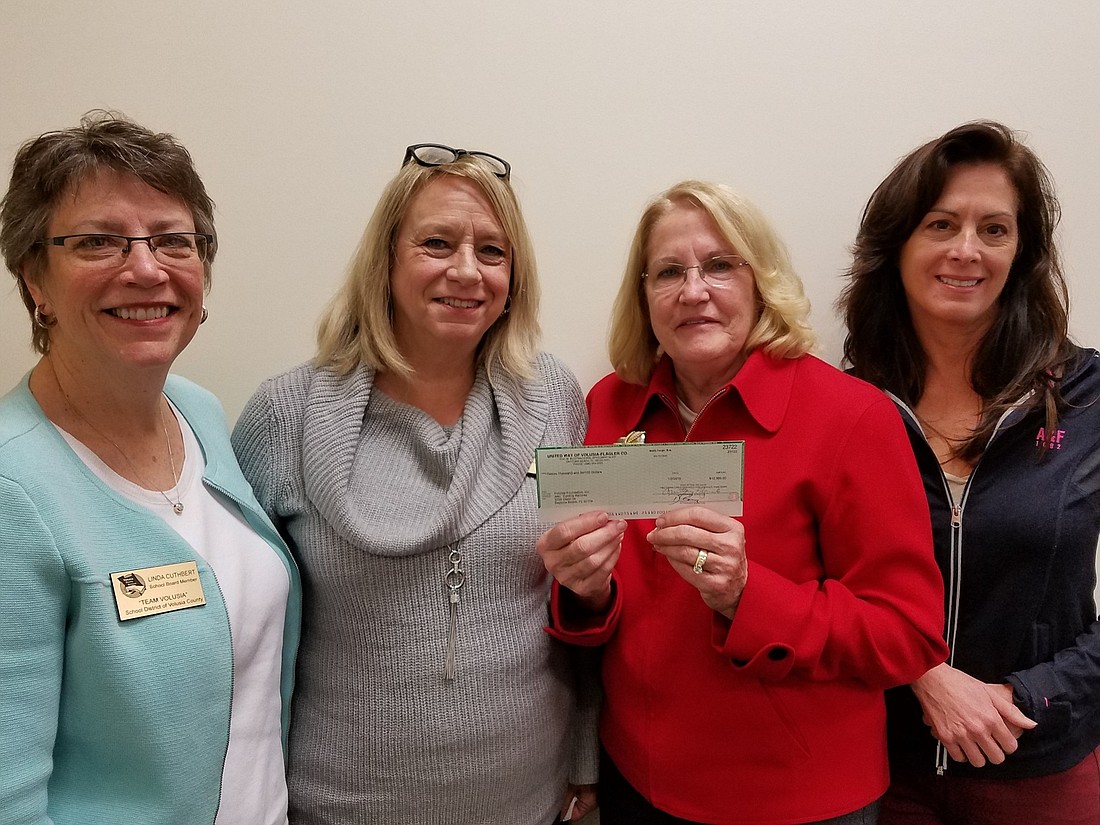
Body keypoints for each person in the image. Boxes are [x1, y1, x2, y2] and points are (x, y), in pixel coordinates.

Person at [537, 179, 948, 825]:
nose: (693, 290)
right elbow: (610, 609)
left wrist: (747, 595)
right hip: (638, 783)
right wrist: (584, 588)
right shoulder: (610, 404)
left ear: (761, 281)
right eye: (668, 271)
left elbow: (908, 635)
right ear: (643, 296)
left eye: (720, 265)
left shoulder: (852, 416)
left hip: (797, 800)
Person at [232, 143, 597, 825]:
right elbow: (244, 633)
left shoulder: (553, 397)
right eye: (437, 242)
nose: (467, 271)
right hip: (340, 805)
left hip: (526, 800)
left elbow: (570, 597)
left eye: (493, 252)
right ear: (387, 260)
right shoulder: (287, 415)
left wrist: (584, 756)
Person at [0, 112, 300, 825]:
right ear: (33, 277)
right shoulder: (14, 490)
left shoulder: (197, 413)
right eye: (98, 241)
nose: (145, 267)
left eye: (173, 240)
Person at [839, 121, 1100, 824]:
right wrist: (924, 674)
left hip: (1041, 761)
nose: (965, 249)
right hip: (876, 766)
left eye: (994, 229)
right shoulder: (845, 406)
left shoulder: (1090, 395)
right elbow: (820, 583)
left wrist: (1034, 694)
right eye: (941, 223)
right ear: (898, 246)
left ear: (1023, 252)